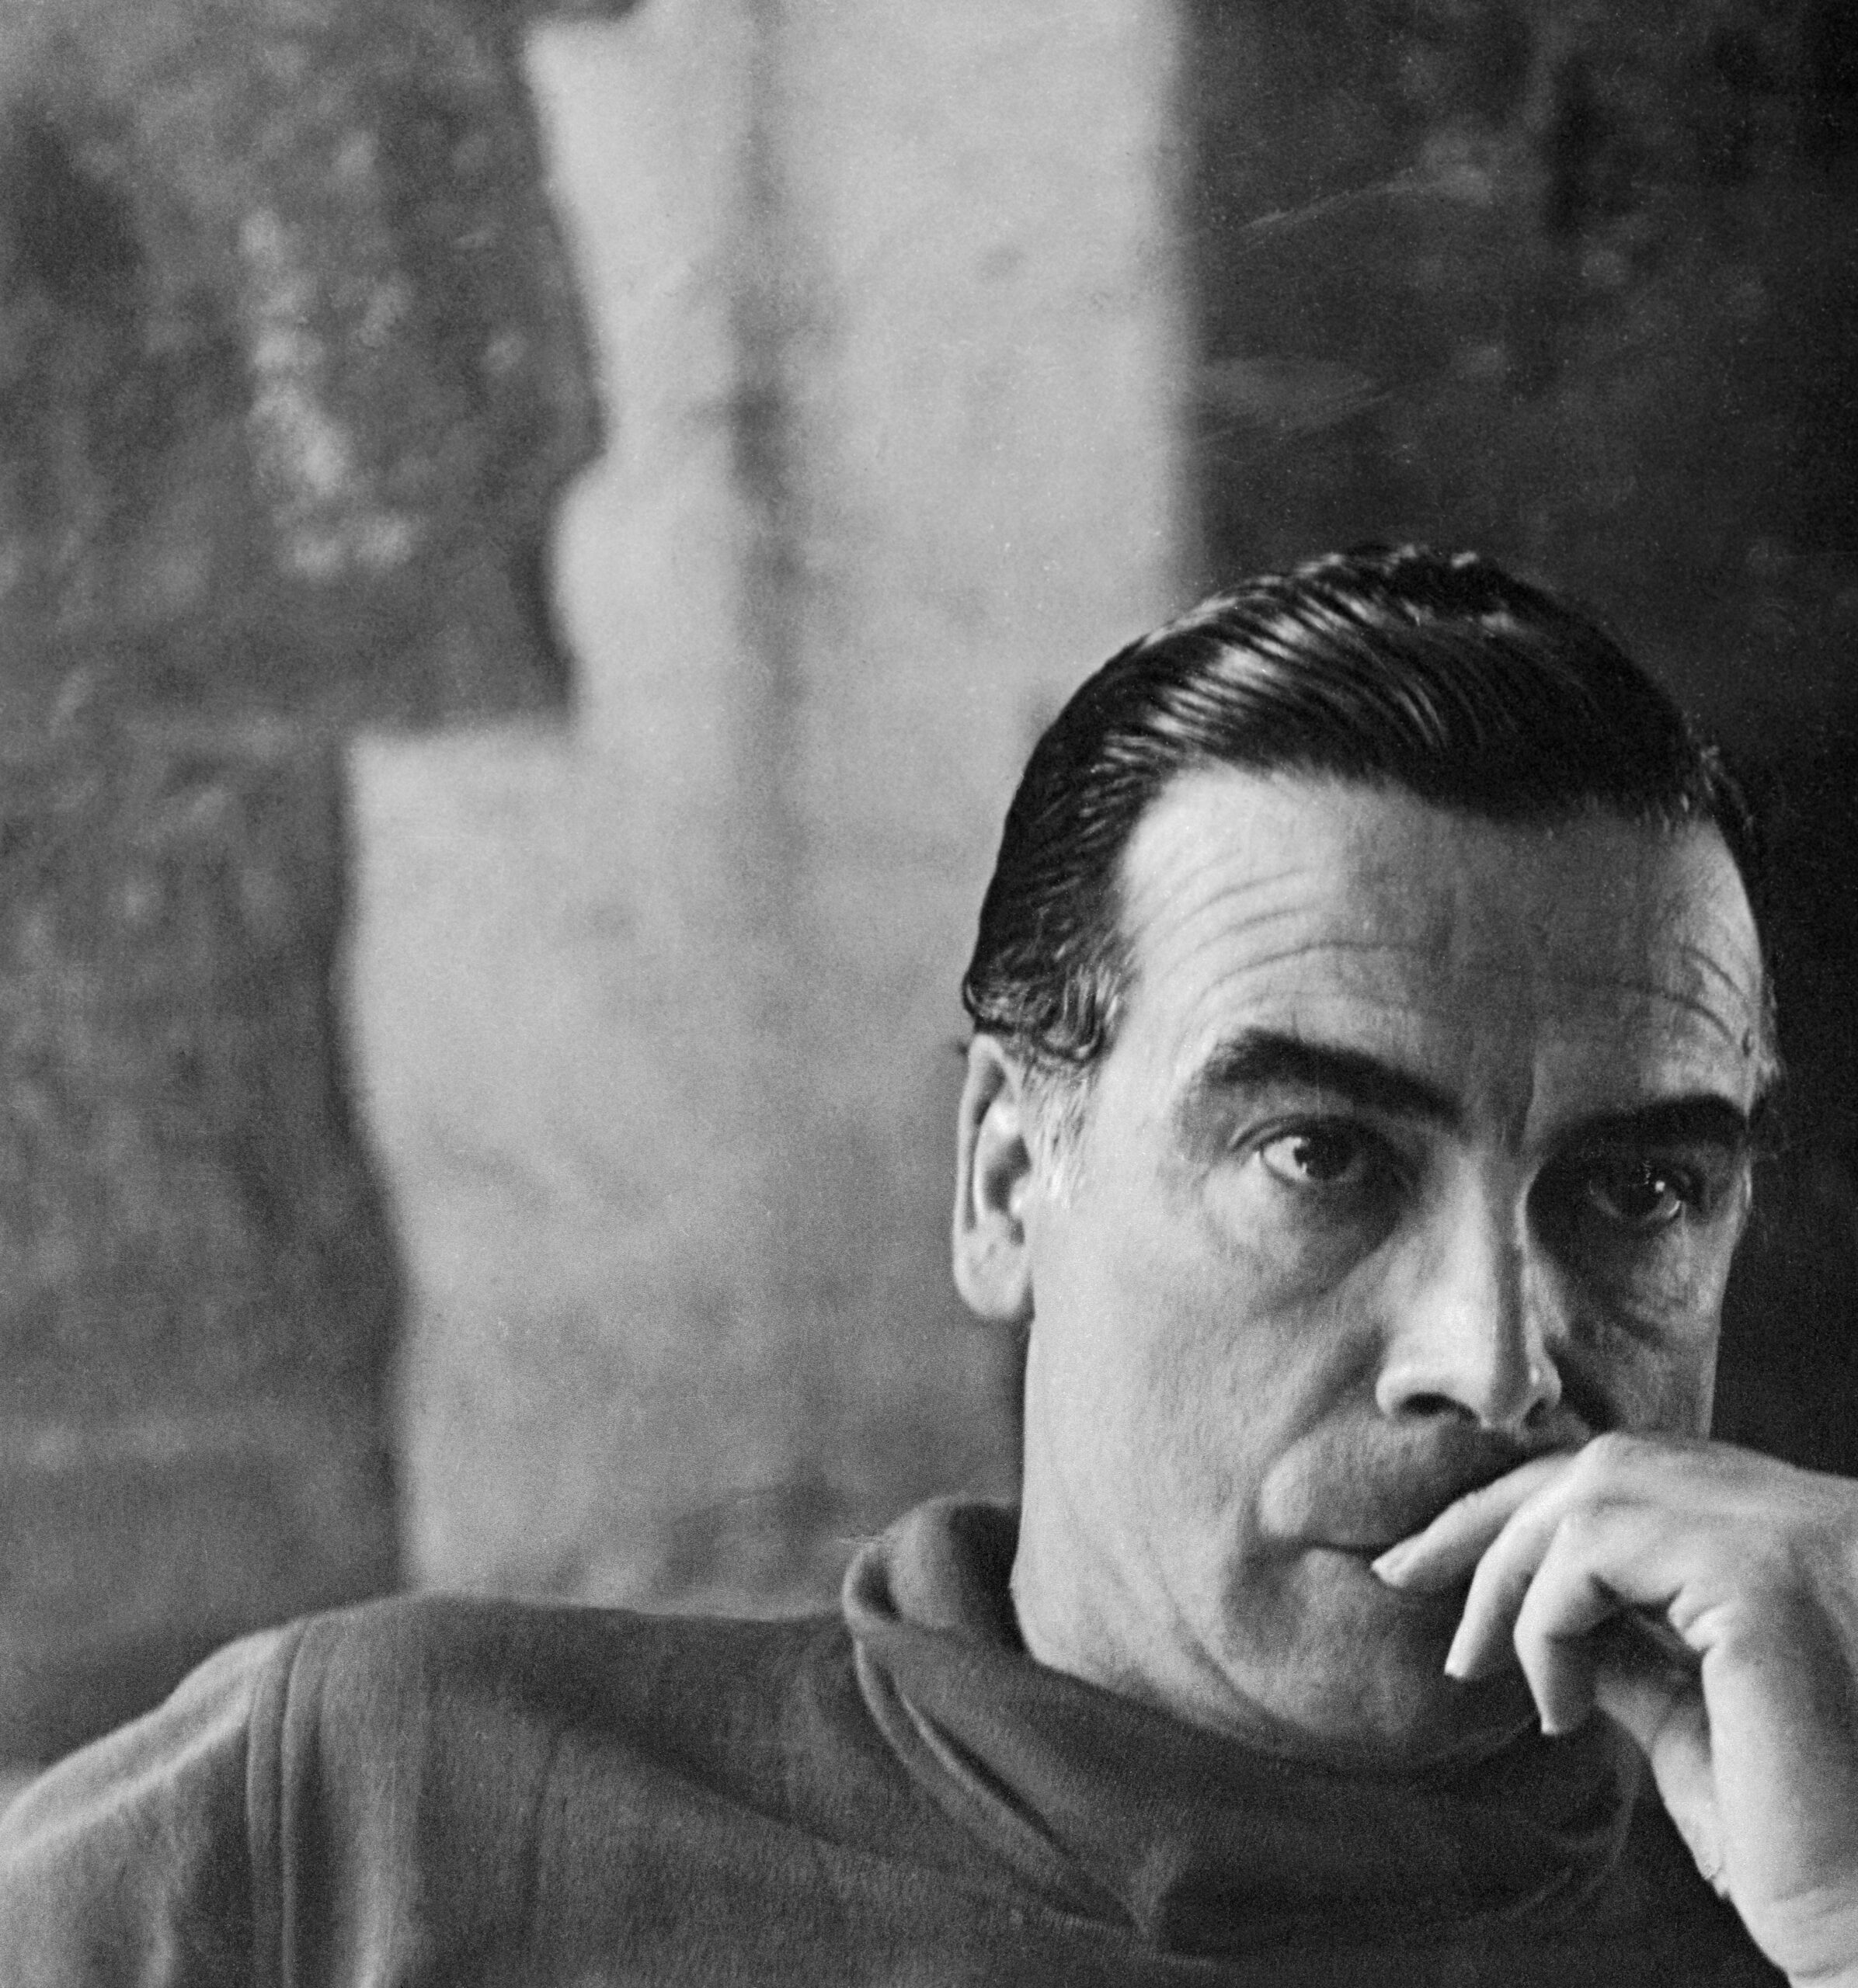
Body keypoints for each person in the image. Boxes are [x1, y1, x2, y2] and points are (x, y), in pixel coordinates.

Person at [3, 545, 1853, 1985]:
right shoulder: (370, 1819)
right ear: (1003, 1177)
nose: (1492, 1357)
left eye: (1635, 1190)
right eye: (1321, 1155)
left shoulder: (1795, 1896)